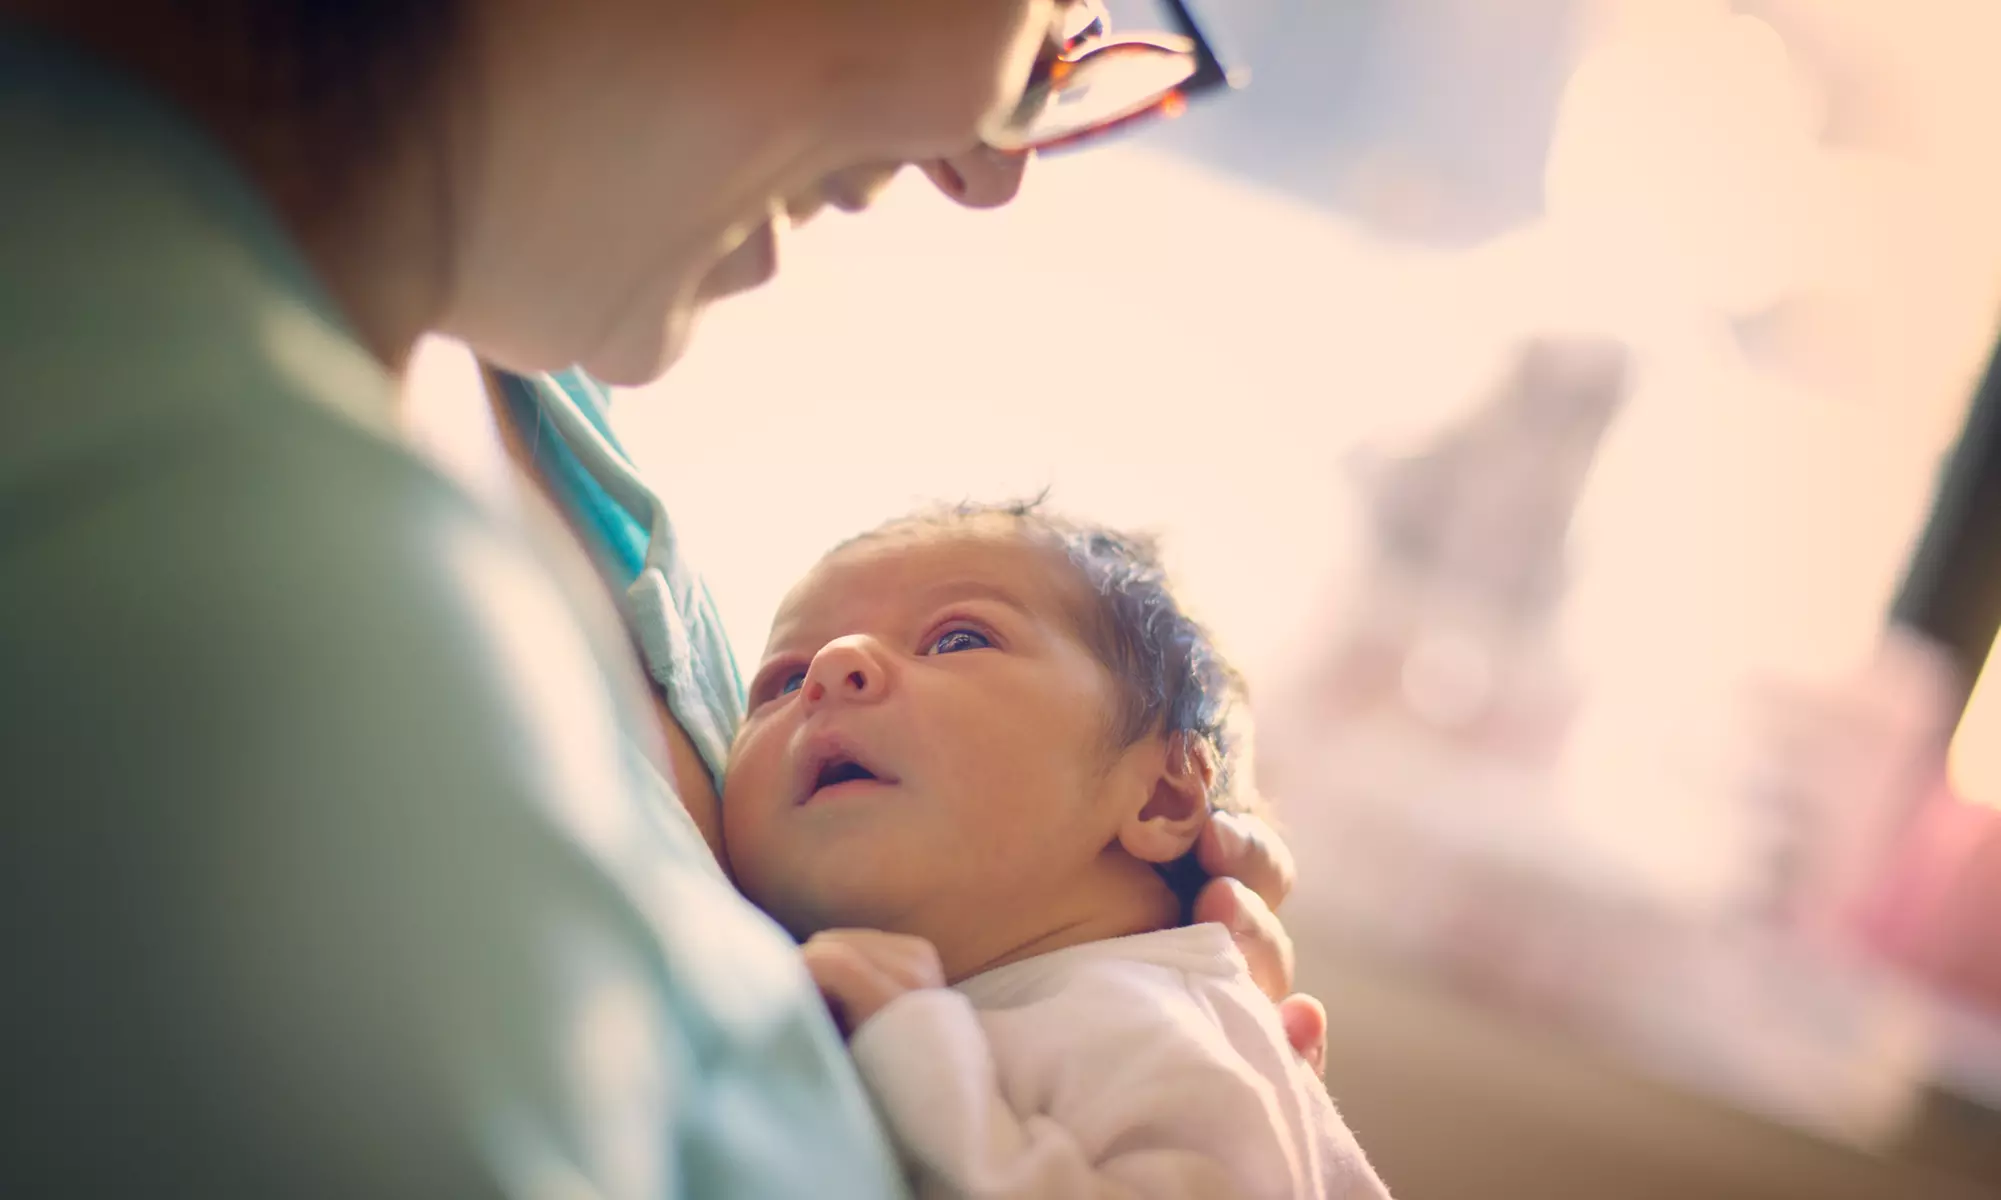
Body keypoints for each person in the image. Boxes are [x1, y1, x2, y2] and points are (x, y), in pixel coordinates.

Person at [1, 0, 1320, 1194]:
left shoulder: (544, 402)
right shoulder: (212, 575)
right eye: (1057, 11)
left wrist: (1097, 1018)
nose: (990, 163)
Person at [723, 500, 1394, 1198]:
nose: (832, 668)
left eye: (954, 640)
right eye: (784, 681)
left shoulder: (1149, 1019)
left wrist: (912, 1051)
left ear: (1160, 796)